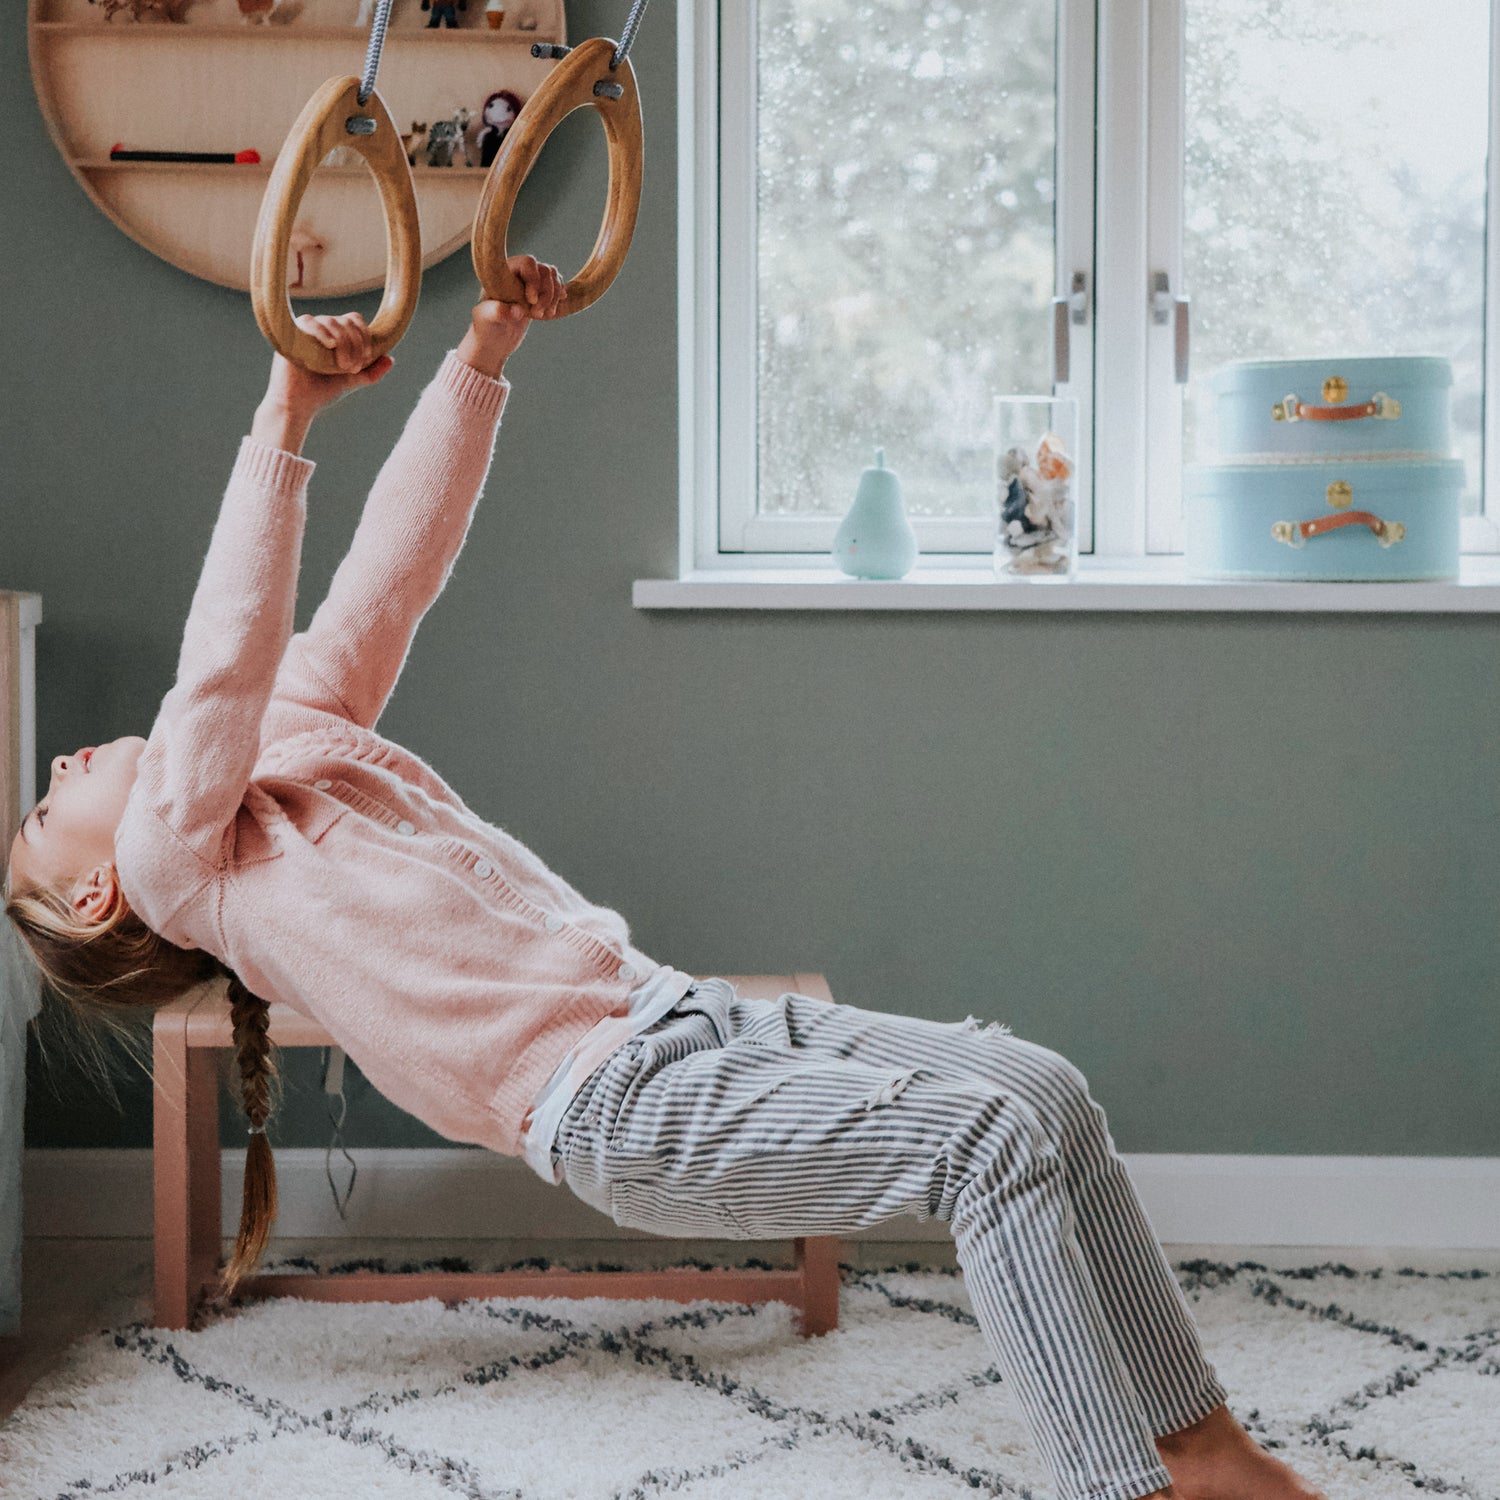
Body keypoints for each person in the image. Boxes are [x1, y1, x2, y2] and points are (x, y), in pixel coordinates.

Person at [4, 258, 1324, 1500]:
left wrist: (482, 355)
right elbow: (219, 662)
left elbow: (388, 578)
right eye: (46, 811)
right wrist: (284, 417)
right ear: (98, 896)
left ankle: (1206, 1450)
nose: (59, 765)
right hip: (620, 1107)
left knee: (1044, 1091)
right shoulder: (180, 865)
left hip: (683, 1017)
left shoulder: (293, 736)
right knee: (988, 1146)